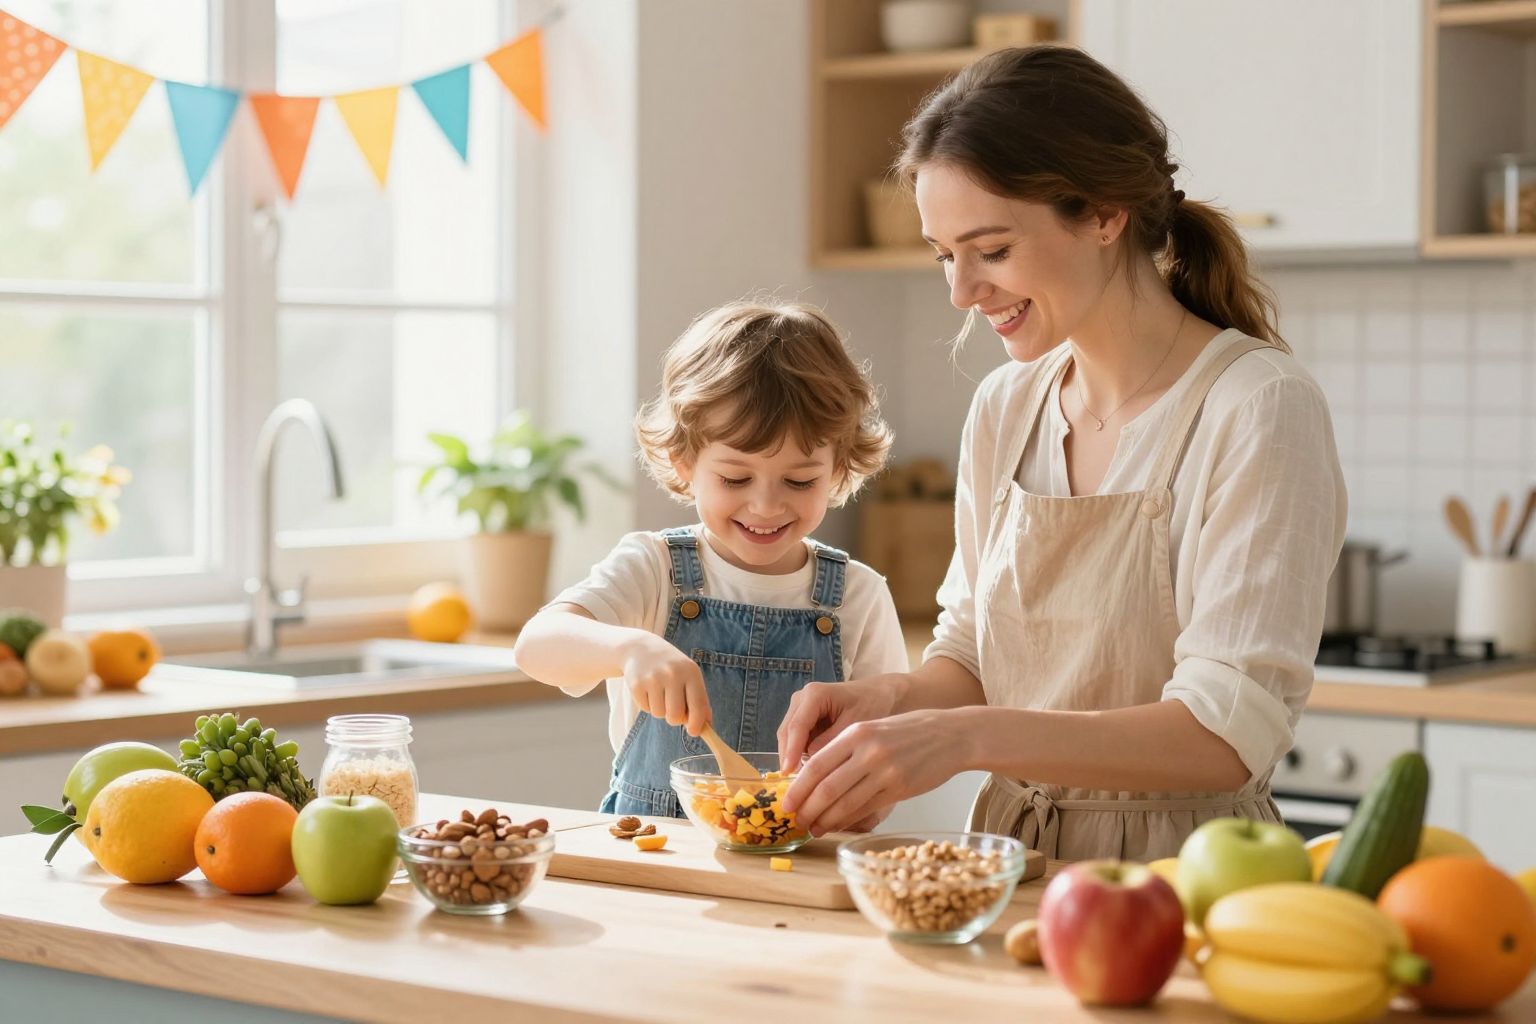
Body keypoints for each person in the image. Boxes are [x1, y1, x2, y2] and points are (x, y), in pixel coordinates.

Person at [776, 45, 1347, 861]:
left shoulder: (1256, 406)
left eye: (992, 250)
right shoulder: (1007, 407)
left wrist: (962, 736)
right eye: (944, 254)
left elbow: (1223, 734)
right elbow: (975, 651)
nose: (961, 292)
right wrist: (892, 700)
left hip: (1190, 875)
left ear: (1105, 214)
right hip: (1009, 860)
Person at [513, 300, 907, 818]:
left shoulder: (859, 595)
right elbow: (535, 647)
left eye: (800, 480)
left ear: (836, 470)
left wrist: (862, 801)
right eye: (735, 479)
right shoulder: (653, 568)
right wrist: (629, 648)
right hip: (653, 859)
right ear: (685, 462)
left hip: (800, 860)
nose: (766, 506)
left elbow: (891, 741)